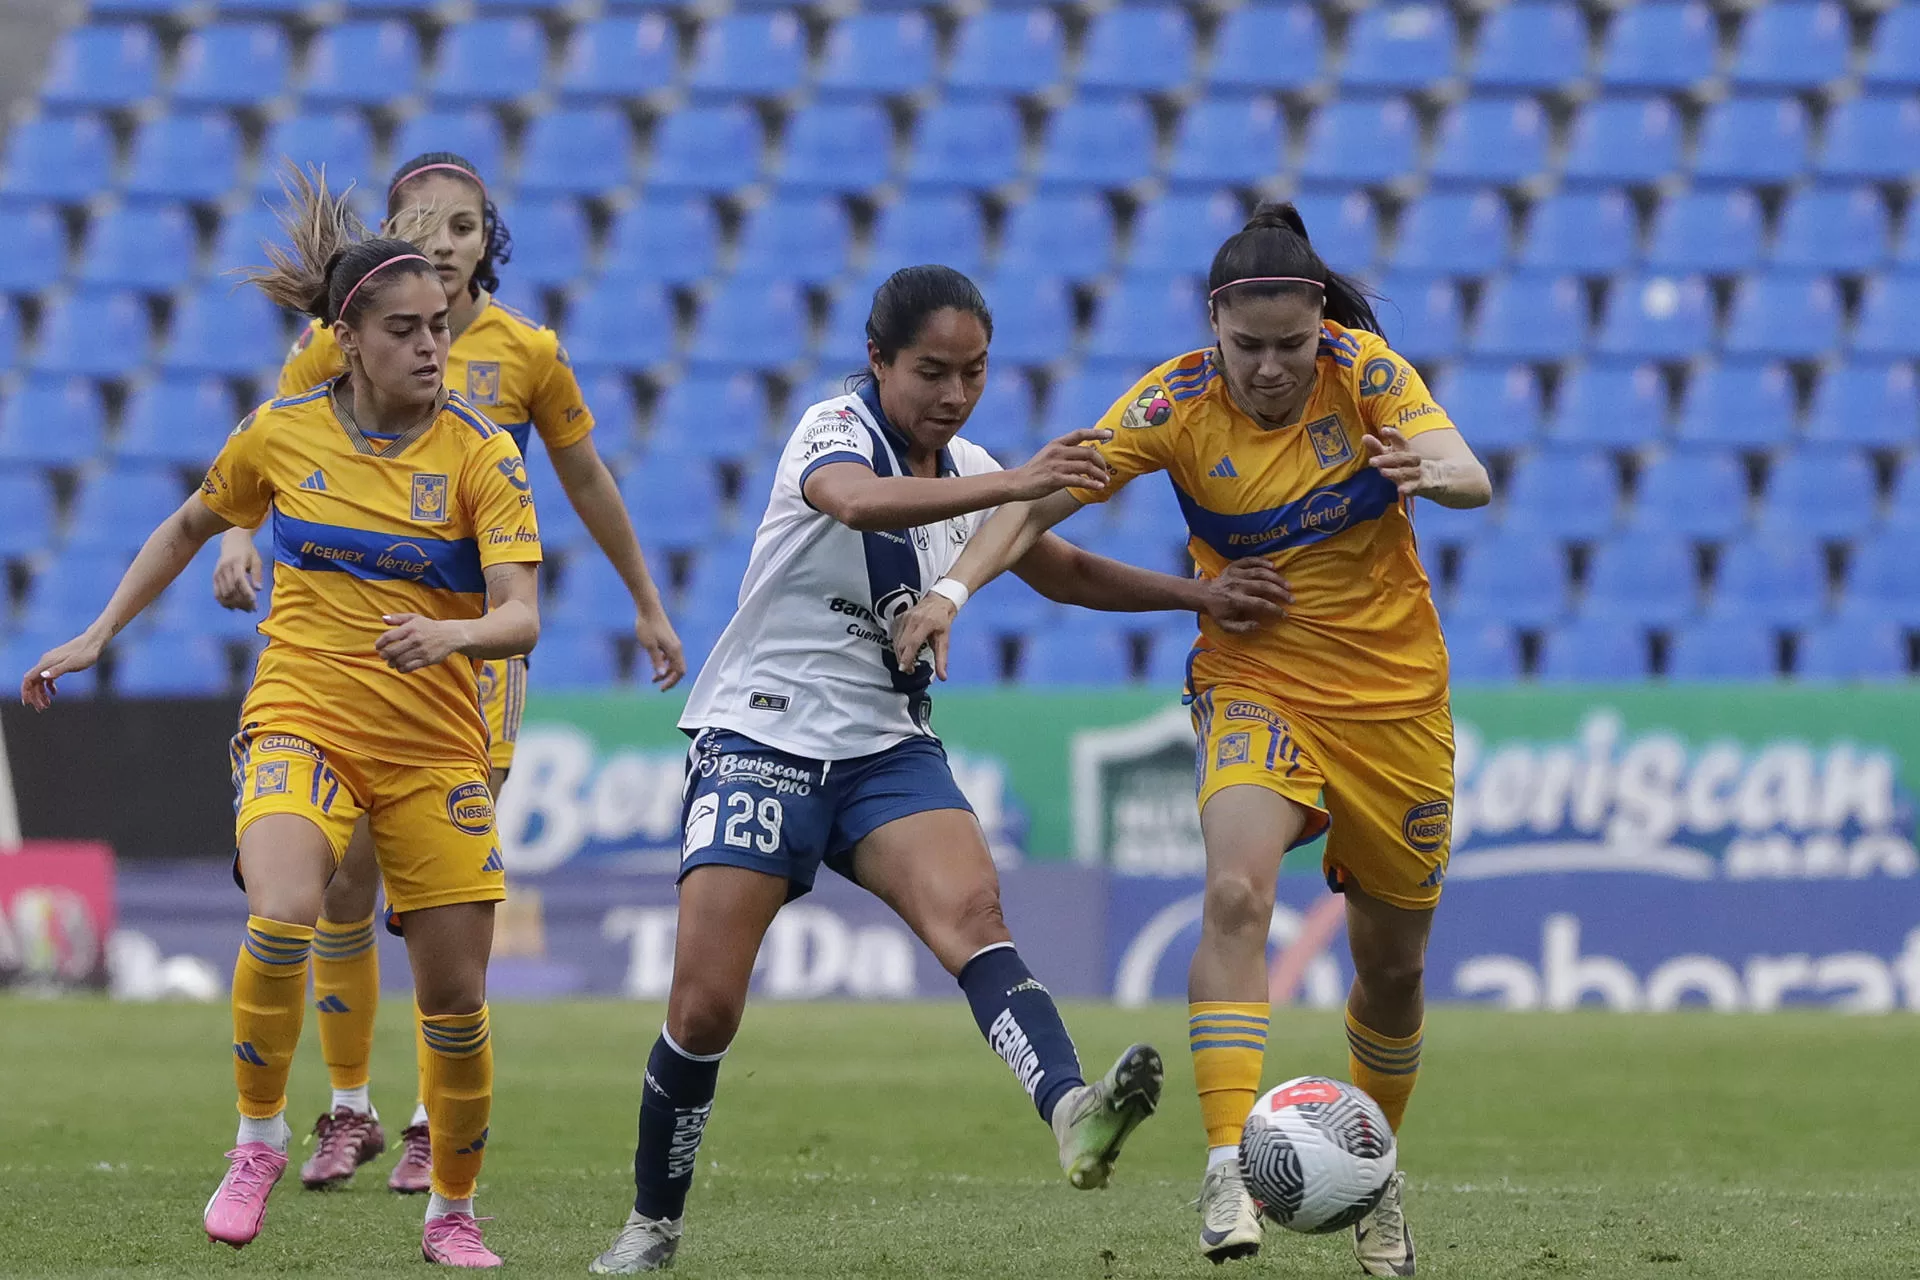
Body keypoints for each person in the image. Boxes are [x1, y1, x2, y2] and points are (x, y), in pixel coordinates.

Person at [587, 265, 1290, 1274]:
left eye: (975, 372)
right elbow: (859, 504)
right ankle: (652, 1225)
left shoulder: (968, 466)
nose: (956, 394)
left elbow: (1061, 569)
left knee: (975, 915)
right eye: (932, 372)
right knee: (704, 1008)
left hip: (885, 744)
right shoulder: (834, 431)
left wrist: (1198, 596)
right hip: (763, 735)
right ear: (878, 360)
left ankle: (1073, 1109)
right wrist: (1014, 485)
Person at [890, 204, 1493, 1277]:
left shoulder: (1366, 374)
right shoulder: (1173, 402)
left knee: (1393, 970)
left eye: (1290, 346)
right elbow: (1035, 503)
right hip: (1255, 677)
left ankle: (1376, 1174)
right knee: (1235, 893)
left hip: (1394, 704)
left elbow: (1467, 470)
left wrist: (1430, 472)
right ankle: (1226, 1167)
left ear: (1320, 326)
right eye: (1248, 346)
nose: (1269, 369)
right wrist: (951, 590)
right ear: (1215, 327)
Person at [22, 170, 544, 1269]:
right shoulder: (282, 433)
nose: (432, 347)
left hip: (433, 746)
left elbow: (521, 616)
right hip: (302, 715)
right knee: (283, 910)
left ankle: (452, 1211)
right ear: (346, 341)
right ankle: (258, 1139)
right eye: (404, 330)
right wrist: (100, 631)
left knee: (455, 1001)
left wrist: (451, 636)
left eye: (439, 327)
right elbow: (189, 523)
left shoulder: (482, 455)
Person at [210, 151, 684, 1196]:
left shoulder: (527, 353)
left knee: (444, 894)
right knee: (341, 879)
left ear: (488, 239)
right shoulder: (335, 343)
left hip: (470, 657)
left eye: (463, 225)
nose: (445, 241)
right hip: (354, 653)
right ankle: (349, 1107)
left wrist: (647, 601)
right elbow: (265, 457)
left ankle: (432, 1119)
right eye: (422, 224)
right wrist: (237, 539)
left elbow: (586, 477)